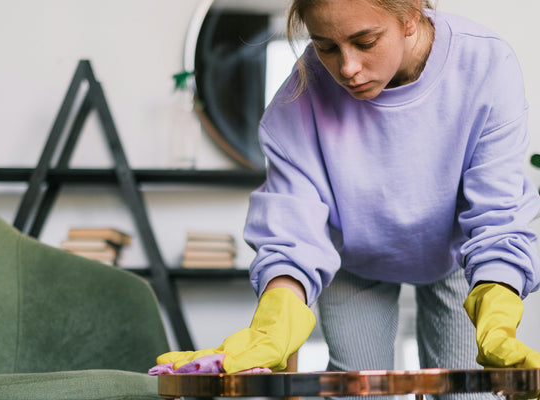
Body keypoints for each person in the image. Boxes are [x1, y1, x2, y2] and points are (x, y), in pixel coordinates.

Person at [151, 0, 540, 391]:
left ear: (412, 16)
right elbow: (293, 230)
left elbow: (498, 209)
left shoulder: (485, 63)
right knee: (357, 392)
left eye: (365, 41)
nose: (347, 68)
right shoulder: (300, 95)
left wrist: (499, 311)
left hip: (456, 252)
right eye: (326, 47)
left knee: (469, 393)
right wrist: (275, 322)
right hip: (353, 258)